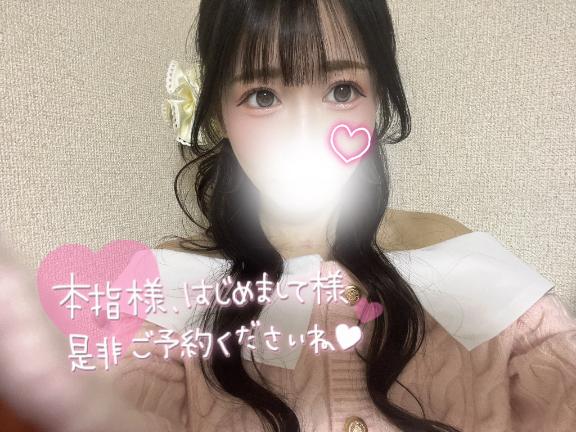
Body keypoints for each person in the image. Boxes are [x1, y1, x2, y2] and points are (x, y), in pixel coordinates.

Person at [0, 0, 575, 431]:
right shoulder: (161, 292)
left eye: (342, 89)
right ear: (217, 112)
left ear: (379, 99)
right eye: (263, 96)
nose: (305, 133)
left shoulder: (461, 260)